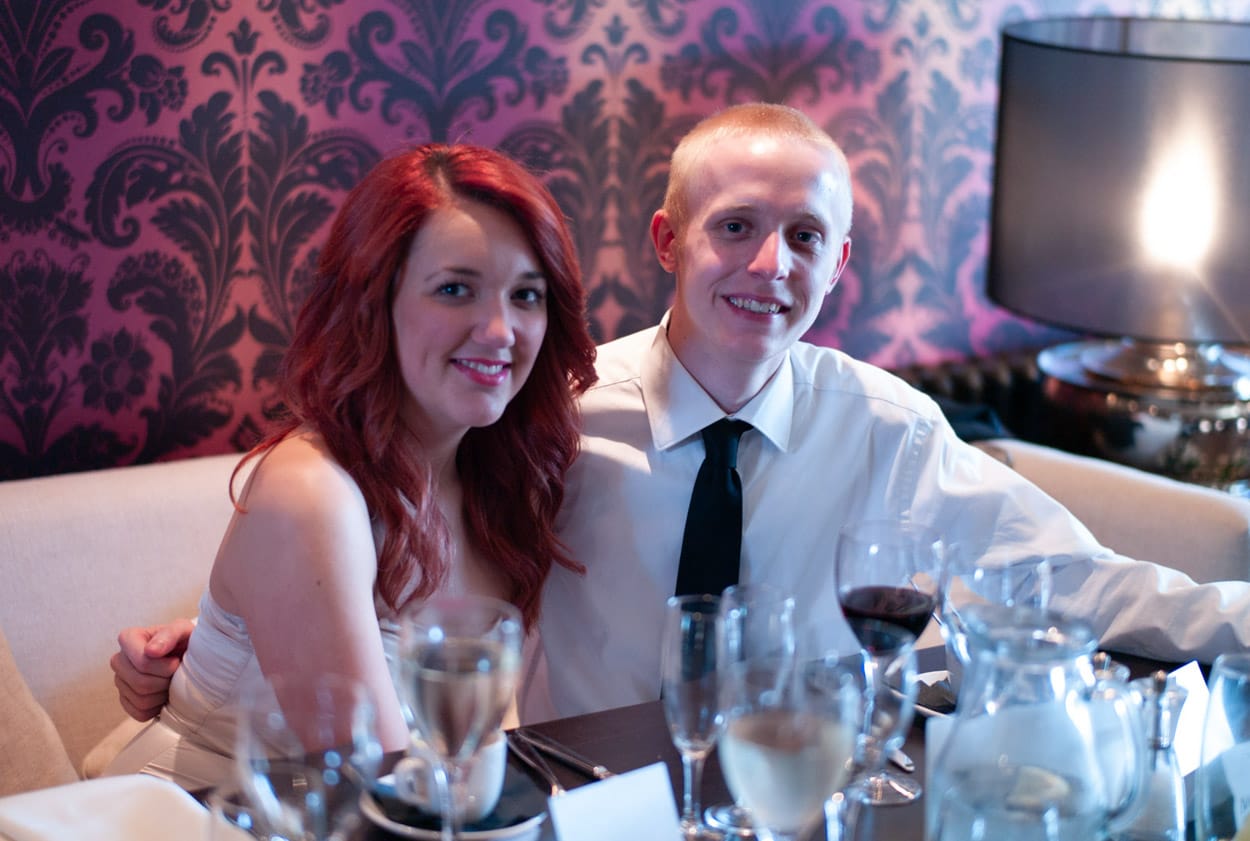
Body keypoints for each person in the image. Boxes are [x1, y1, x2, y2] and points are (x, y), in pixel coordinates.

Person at [113, 104, 1250, 730]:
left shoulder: (883, 430)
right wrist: (200, 654)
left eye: (804, 236)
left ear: (838, 264)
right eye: (735, 227)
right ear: (667, 243)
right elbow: (327, 545)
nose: (769, 263)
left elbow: (1077, 579)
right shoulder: (551, 415)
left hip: (771, 793)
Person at [102, 143, 597, 787]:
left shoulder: (513, 474)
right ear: (372, 303)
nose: (501, 330)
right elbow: (385, 790)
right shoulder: (310, 493)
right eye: (454, 289)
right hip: (203, 817)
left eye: (526, 295)